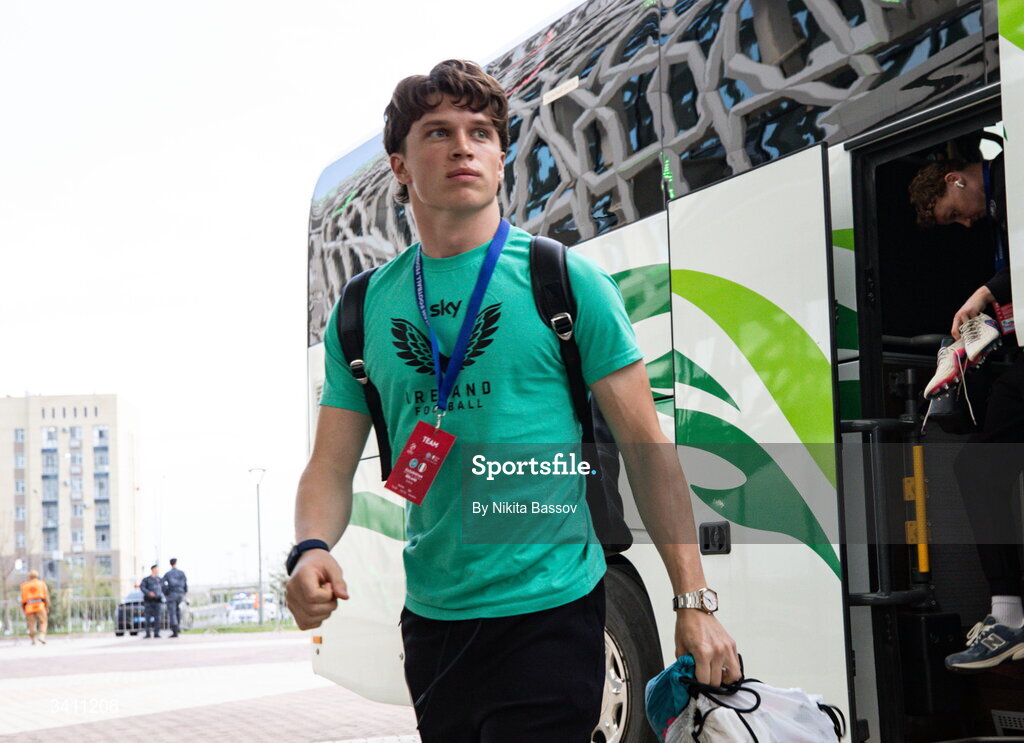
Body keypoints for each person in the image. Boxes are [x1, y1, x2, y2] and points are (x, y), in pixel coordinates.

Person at [286, 60, 739, 741]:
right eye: (438, 132)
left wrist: (693, 600)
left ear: (501, 161)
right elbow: (328, 465)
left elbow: (648, 449)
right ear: (400, 166)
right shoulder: (360, 311)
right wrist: (309, 547)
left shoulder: (566, 281)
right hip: (433, 622)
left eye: (480, 133)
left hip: (552, 611)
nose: (462, 147)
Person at [909, 152, 1024, 671]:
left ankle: (1010, 615)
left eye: (954, 212)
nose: (965, 223)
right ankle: (1008, 613)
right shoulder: (1001, 200)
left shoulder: (1015, 175)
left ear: (956, 179)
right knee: (977, 466)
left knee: (977, 467)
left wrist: (983, 294)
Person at [20, 570, 50, 645]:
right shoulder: (41, 584)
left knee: (31, 624)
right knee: (43, 621)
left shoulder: (24, 586)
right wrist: (46, 606)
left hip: (29, 607)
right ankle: (42, 636)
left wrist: (23, 608)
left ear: (29, 577)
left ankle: (33, 639)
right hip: (40, 606)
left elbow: (22, 599)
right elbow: (46, 596)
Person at [161, 557, 188, 638]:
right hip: (180, 594)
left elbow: (162, 584)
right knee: (178, 611)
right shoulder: (181, 573)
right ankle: (178, 626)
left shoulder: (168, 574)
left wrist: (166, 592)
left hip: (172, 594)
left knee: (172, 612)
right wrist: (184, 592)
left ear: (170, 564)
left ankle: (175, 629)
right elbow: (185, 584)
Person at [139, 564, 164, 639]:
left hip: (157, 601)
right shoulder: (146, 579)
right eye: (157, 569)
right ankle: (148, 634)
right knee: (147, 618)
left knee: (158, 618)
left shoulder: (160, 579)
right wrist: (148, 593)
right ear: (153, 569)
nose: (158, 570)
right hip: (148, 601)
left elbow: (163, 588)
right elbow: (142, 587)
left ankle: (157, 633)